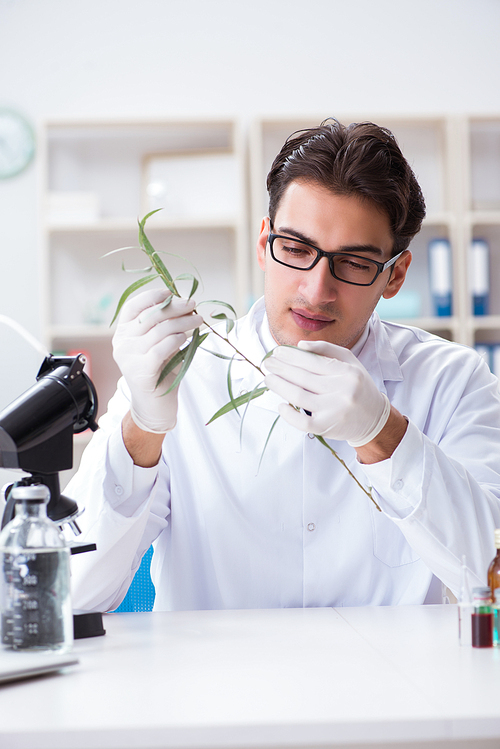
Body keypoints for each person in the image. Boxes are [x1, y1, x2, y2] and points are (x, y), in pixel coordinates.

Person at [69, 119, 500, 613]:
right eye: (295, 249)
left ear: (395, 275)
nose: (316, 290)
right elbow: (74, 596)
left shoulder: (453, 381)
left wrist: (385, 435)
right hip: (212, 687)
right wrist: (142, 429)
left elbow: (492, 572)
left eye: (355, 263)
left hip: (392, 686)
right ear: (263, 245)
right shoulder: (176, 377)